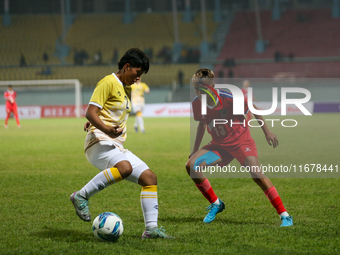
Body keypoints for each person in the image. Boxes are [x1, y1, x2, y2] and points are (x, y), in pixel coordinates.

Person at [70, 48, 173, 239]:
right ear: (127, 67)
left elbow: (104, 111)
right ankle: (81, 196)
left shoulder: (126, 87)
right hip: (99, 141)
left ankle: (151, 230)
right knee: (124, 168)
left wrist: (99, 120)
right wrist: (102, 126)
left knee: (149, 179)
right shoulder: (108, 82)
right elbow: (90, 111)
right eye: (137, 73)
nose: (138, 79)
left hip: (115, 144)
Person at [185, 68, 293, 227]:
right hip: (219, 145)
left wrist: (267, 132)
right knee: (191, 166)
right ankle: (216, 203)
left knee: (256, 174)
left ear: (212, 86)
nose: (199, 92)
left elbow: (253, 107)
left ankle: (285, 215)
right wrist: (194, 150)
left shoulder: (228, 98)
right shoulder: (196, 103)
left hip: (241, 141)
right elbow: (202, 123)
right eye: (196, 88)